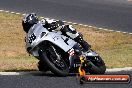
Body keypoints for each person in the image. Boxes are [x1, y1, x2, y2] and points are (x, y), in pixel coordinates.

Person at [22, 13, 91, 51]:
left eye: (27, 24)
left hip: (59, 36)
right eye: (25, 25)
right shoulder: (29, 36)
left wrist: (54, 25)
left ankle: (82, 42)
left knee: (67, 28)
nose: (27, 26)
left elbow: (59, 22)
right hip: (45, 44)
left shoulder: (42, 22)